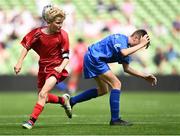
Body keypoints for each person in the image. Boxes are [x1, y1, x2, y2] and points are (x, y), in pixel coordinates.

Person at [69, 29, 157, 126]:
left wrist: (144, 76)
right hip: (94, 58)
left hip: (93, 58)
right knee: (117, 84)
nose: (139, 48)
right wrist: (141, 44)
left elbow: (126, 68)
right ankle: (115, 119)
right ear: (136, 38)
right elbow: (123, 52)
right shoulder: (120, 39)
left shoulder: (126, 48)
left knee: (103, 90)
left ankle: (72, 101)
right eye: (140, 44)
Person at [14, 5, 72, 129]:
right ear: (48, 22)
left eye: (61, 23)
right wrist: (19, 62)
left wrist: (61, 67)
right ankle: (64, 100)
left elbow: (66, 57)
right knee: (43, 97)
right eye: (57, 23)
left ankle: (31, 121)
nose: (60, 25)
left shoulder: (63, 35)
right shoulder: (37, 33)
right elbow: (26, 46)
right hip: (43, 67)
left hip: (56, 68)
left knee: (42, 94)